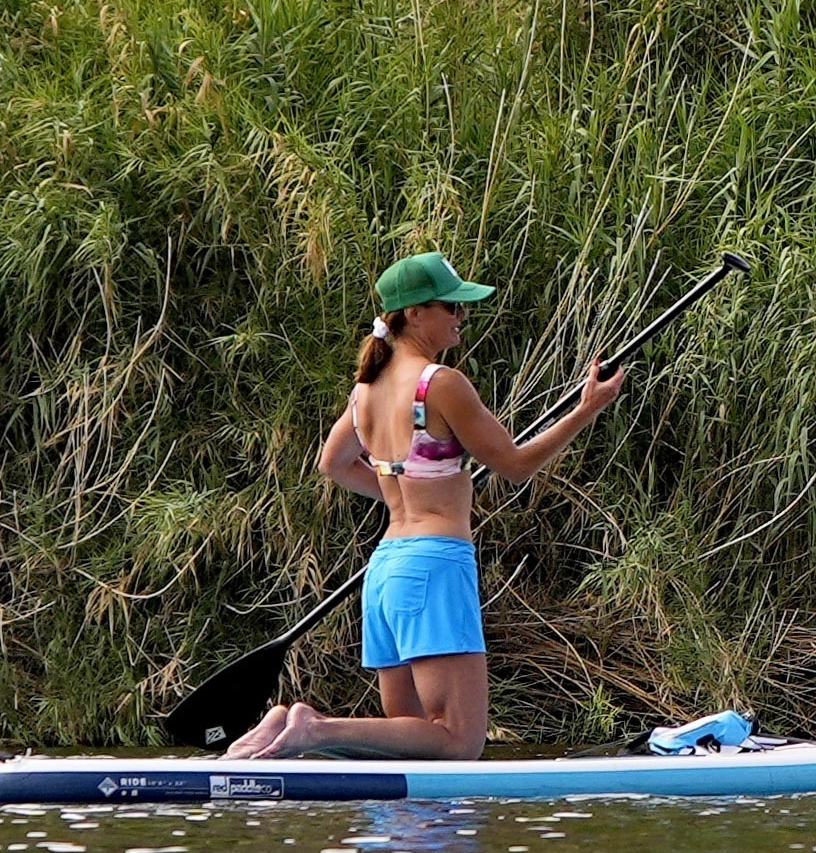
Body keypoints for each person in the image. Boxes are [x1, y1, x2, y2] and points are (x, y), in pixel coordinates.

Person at [229, 248, 616, 763]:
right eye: (450, 306)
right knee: (459, 741)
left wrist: (404, 491)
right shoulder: (442, 384)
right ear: (414, 313)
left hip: (387, 570)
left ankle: (290, 724)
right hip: (434, 564)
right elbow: (517, 466)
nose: (461, 316)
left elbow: (334, 464)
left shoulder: (365, 391)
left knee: (415, 742)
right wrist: (586, 411)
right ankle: (314, 728)